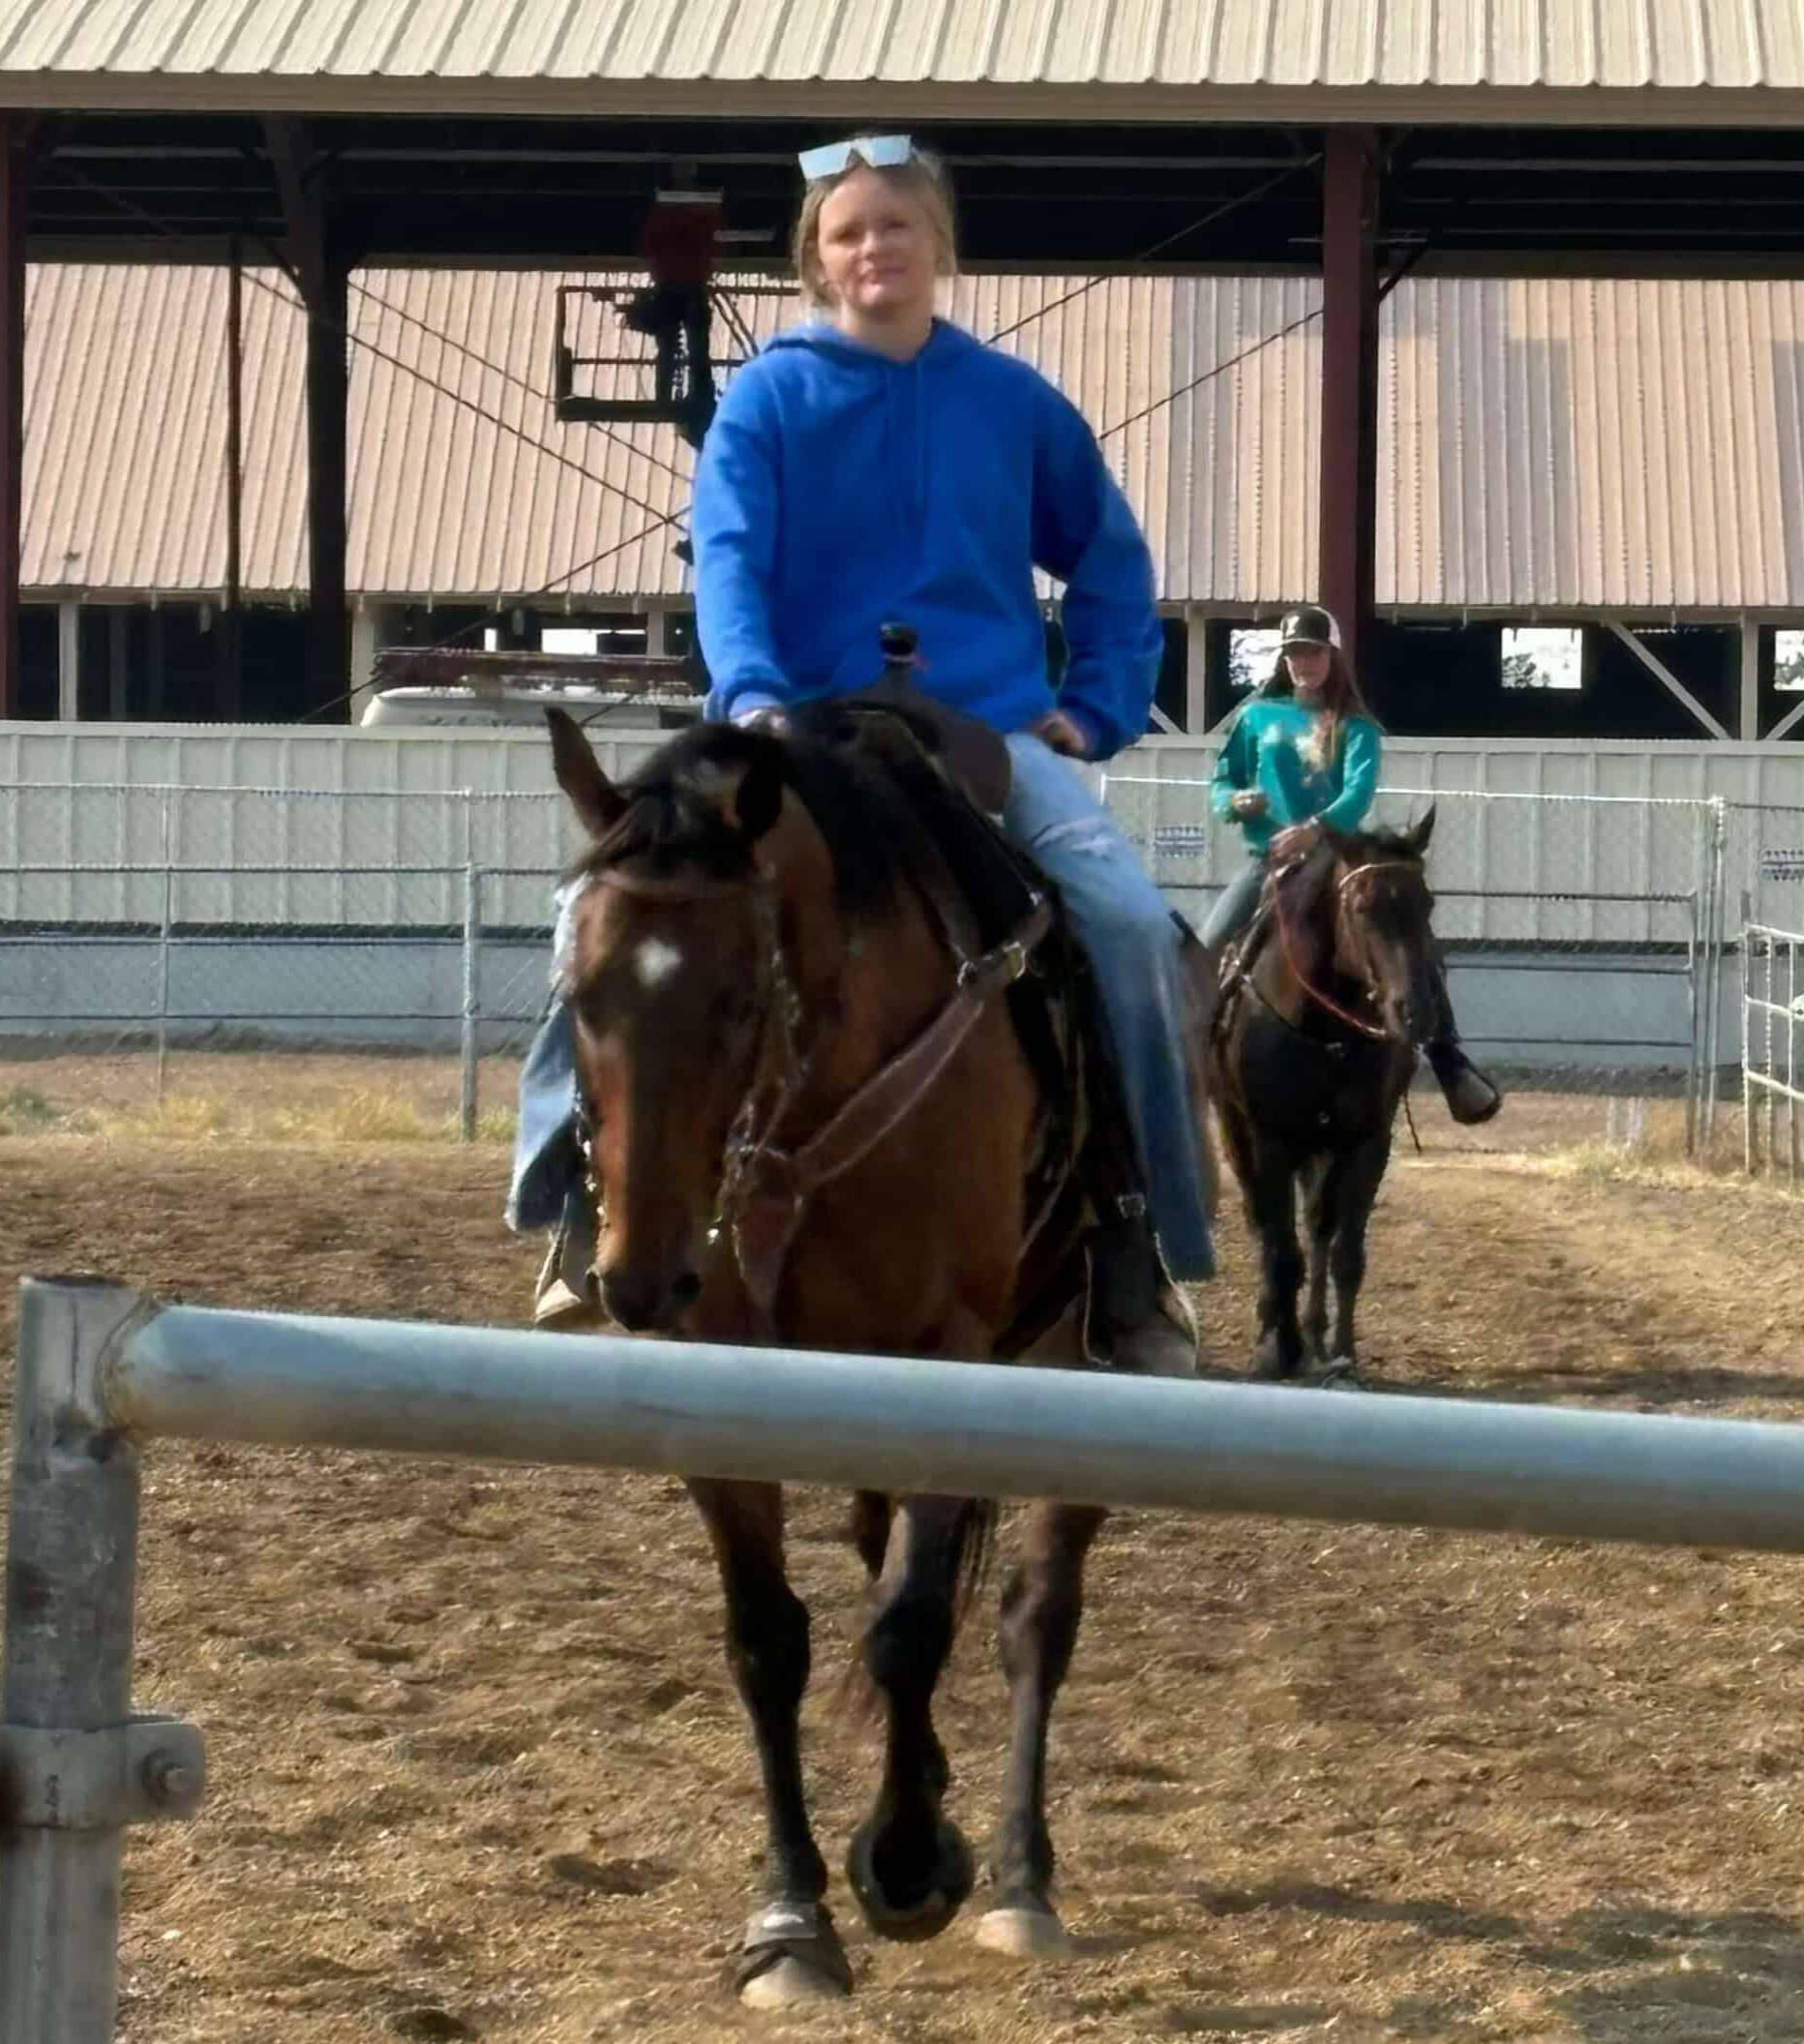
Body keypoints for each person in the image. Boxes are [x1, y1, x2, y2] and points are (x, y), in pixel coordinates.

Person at [509, 133, 1214, 1374]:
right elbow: (727, 558)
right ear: (814, 262)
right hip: (791, 723)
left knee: (1124, 918)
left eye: (896, 226)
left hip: (983, 730)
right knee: (601, 907)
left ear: (939, 246)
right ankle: (574, 1205)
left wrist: (1095, 706)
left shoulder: (1015, 403)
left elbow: (1109, 558)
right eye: (847, 233)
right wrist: (759, 696)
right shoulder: (766, 400)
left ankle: (1132, 1240)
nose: (873, 248)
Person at [1203, 603, 1502, 1126]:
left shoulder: (1355, 725)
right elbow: (1221, 781)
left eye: (1313, 652)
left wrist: (1316, 830)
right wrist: (1235, 803)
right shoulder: (1255, 718)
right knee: (1206, 952)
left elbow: (1358, 792)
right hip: (1267, 862)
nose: (1303, 662)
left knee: (1409, 950)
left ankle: (1450, 1063)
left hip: (1335, 860)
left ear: (1332, 657)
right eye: (1294, 652)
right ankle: (1191, 1063)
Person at [618, 190, 721, 448]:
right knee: (690, 347)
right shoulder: (669, 248)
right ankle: (664, 394)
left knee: (680, 347)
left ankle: (664, 394)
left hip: (678, 288)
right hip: (682, 288)